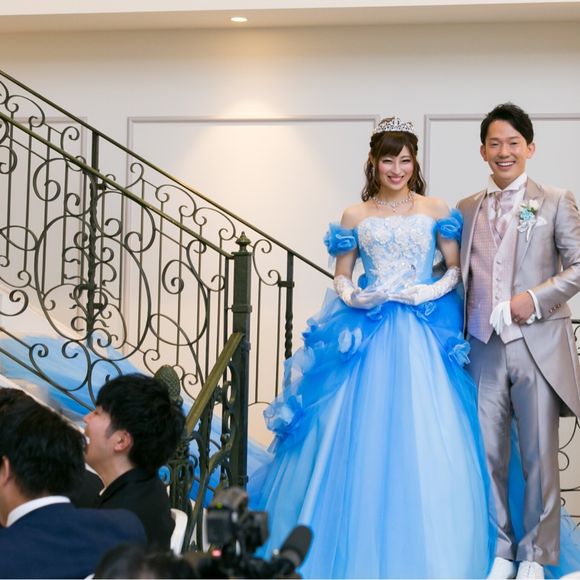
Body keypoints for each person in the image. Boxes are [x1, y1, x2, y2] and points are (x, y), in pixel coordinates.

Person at [248, 117, 495, 578]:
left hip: (420, 331)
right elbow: (342, 274)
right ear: (374, 162)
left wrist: (427, 291)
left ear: (415, 163)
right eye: (388, 161)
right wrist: (353, 295)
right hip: (368, 330)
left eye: (405, 161)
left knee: (425, 433)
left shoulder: (435, 208)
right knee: (350, 435)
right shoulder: (355, 215)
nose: (397, 169)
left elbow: (454, 269)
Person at [458, 102, 580, 580]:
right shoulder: (466, 209)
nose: (504, 151)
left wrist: (533, 298)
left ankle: (537, 555)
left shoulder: (556, 201)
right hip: (482, 346)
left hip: (537, 346)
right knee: (486, 454)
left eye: (513, 143)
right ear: (483, 151)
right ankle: (500, 551)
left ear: (530, 147)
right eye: (495, 143)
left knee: (539, 456)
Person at [0, 387, 146, 579]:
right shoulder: (126, 528)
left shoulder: (8, 556)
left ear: (5, 470)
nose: (87, 417)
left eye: (97, 413)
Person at [81, 373, 186, 549]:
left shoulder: (116, 524)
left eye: (97, 413)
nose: (86, 418)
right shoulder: (150, 486)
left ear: (121, 441)